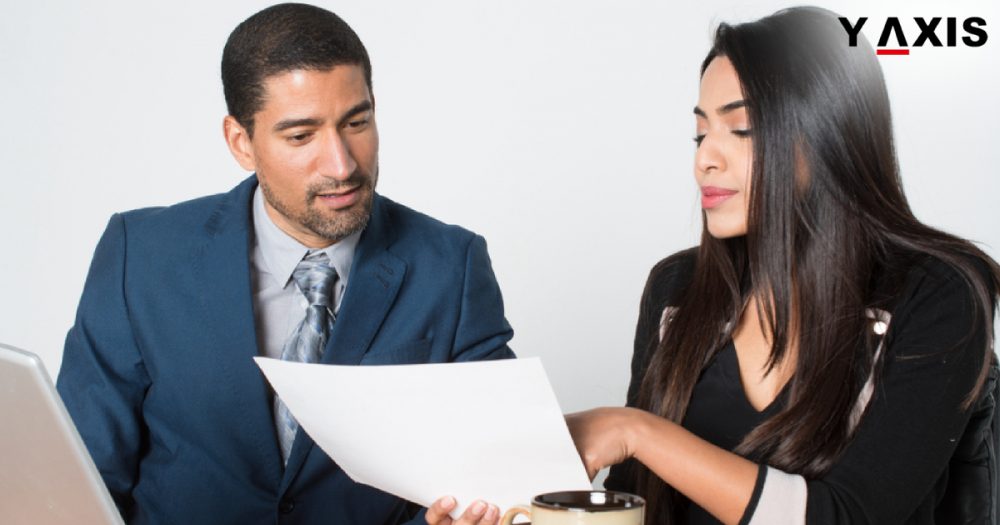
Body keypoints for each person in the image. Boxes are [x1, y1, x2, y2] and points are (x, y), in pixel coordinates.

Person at [56, 3, 513, 524]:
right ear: (241, 142)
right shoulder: (140, 256)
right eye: (301, 136)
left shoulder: (452, 267)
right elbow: (80, 479)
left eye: (357, 122)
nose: (341, 164)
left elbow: (494, 467)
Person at [565, 7, 1000, 525]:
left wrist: (636, 431)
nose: (705, 160)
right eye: (700, 134)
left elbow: (851, 516)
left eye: (741, 129)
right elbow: (633, 501)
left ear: (828, 134)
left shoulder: (938, 292)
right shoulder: (676, 288)